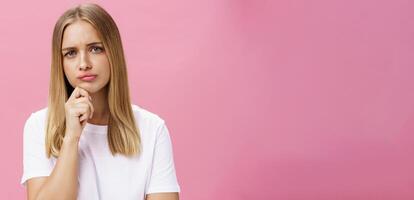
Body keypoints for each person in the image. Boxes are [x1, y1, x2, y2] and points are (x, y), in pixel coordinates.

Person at [20, 3, 180, 200]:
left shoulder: (152, 130)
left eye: (95, 49)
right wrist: (71, 138)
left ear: (113, 53)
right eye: (71, 53)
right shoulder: (39, 126)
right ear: (60, 63)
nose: (84, 63)